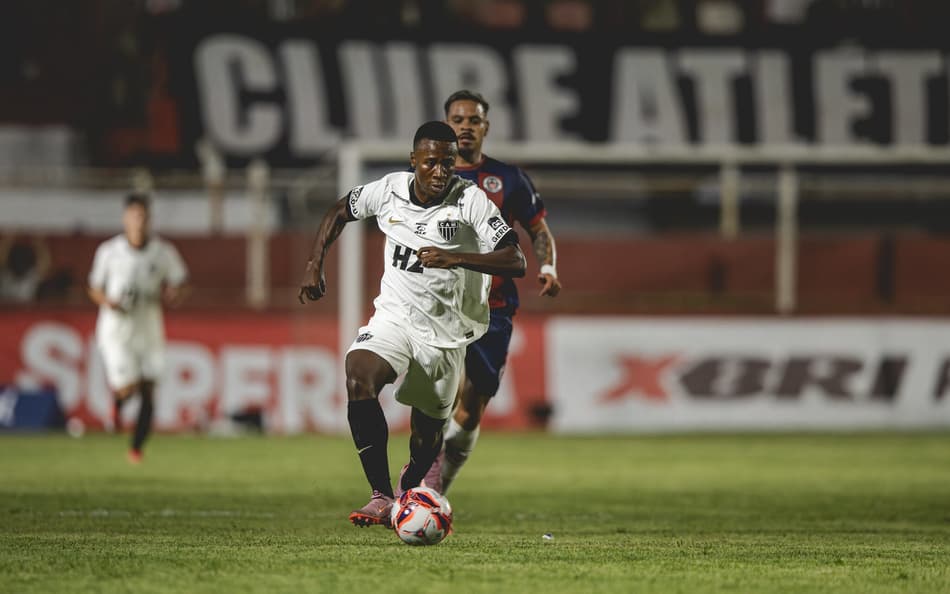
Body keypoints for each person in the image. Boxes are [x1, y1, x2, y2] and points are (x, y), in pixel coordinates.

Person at [298, 120, 526, 527]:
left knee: (425, 437)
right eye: (431, 163)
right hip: (394, 317)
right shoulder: (389, 190)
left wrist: (455, 256)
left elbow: (516, 259)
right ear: (414, 161)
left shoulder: (470, 201)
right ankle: (382, 496)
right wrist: (316, 262)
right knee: (358, 373)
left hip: (446, 334)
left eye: (448, 164)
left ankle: (412, 480)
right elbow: (339, 210)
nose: (440, 172)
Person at [437, 90, 561, 493]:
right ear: (446, 125)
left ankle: (437, 487)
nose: (465, 127)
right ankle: (422, 489)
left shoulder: (508, 179)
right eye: (458, 120)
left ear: (485, 127)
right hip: (440, 305)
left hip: (492, 309)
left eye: (473, 120)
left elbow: (537, 230)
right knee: (437, 400)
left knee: (470, 411)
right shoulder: (430, 176)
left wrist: (547, 265)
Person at [87, 194, 189, 464]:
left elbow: (180, 283)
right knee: (128, 387)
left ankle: (135, 449)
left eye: (143, 216)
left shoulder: (163, 252)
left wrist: (173, 293)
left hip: (149, 329)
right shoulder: (109, 252)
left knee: (150, 389)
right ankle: (117, 403)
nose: (139, 222)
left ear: (149, 219)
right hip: (116, 331)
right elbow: (94, 288)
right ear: (125, 219)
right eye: (134, 216)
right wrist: (108, 302)